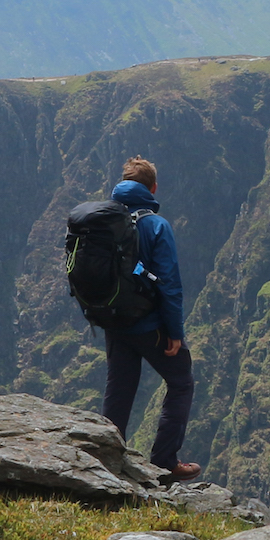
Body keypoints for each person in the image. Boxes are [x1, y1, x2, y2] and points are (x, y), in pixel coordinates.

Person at [99, 156, 199, 481]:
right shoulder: (156, 225)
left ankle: (104, 460)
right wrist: (175, 332)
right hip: (149, 325)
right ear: (153, 188)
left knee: (120, 388)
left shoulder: (104, 221)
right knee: (181, 381)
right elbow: (168, 284)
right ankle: (166, 462)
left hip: (113, 321)